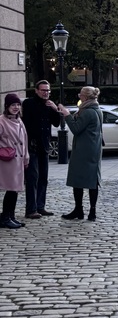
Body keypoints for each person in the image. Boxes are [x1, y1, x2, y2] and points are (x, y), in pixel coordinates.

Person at [58, 86, 103, 221]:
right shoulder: (96, 109)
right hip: (93, 149)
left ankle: (80, 210)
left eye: (81, 95)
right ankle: (90, 211)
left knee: (78, 180)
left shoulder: (88, 111)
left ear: (86, 97)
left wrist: (67, 115)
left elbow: (76, 129)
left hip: (84, 150)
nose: (79, 96)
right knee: (92, 180)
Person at [21, 80, 61, 219]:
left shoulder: (50, 105)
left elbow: (56, 122)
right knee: (32, 178)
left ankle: (40, 206)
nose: (46, 93)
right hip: (31, 145)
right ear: (37, 91)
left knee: (43, 178)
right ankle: (31, 209)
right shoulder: (29, 103)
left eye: (48, 91)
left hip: (44, 145)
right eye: (43, 90)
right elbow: (28, 120)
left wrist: (55, 109)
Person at [0, 93, 29, 229]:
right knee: (11, 188)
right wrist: (4, 147)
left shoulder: (19, 120)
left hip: (19, 159)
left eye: (18, 105)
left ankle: (10, 216)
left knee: (15, 189)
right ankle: (6, 217)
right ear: (7, 106)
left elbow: (24, 141)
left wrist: (26, 156)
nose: (16, 107)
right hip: (8, 160)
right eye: (13, 105)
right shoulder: (2, 121)